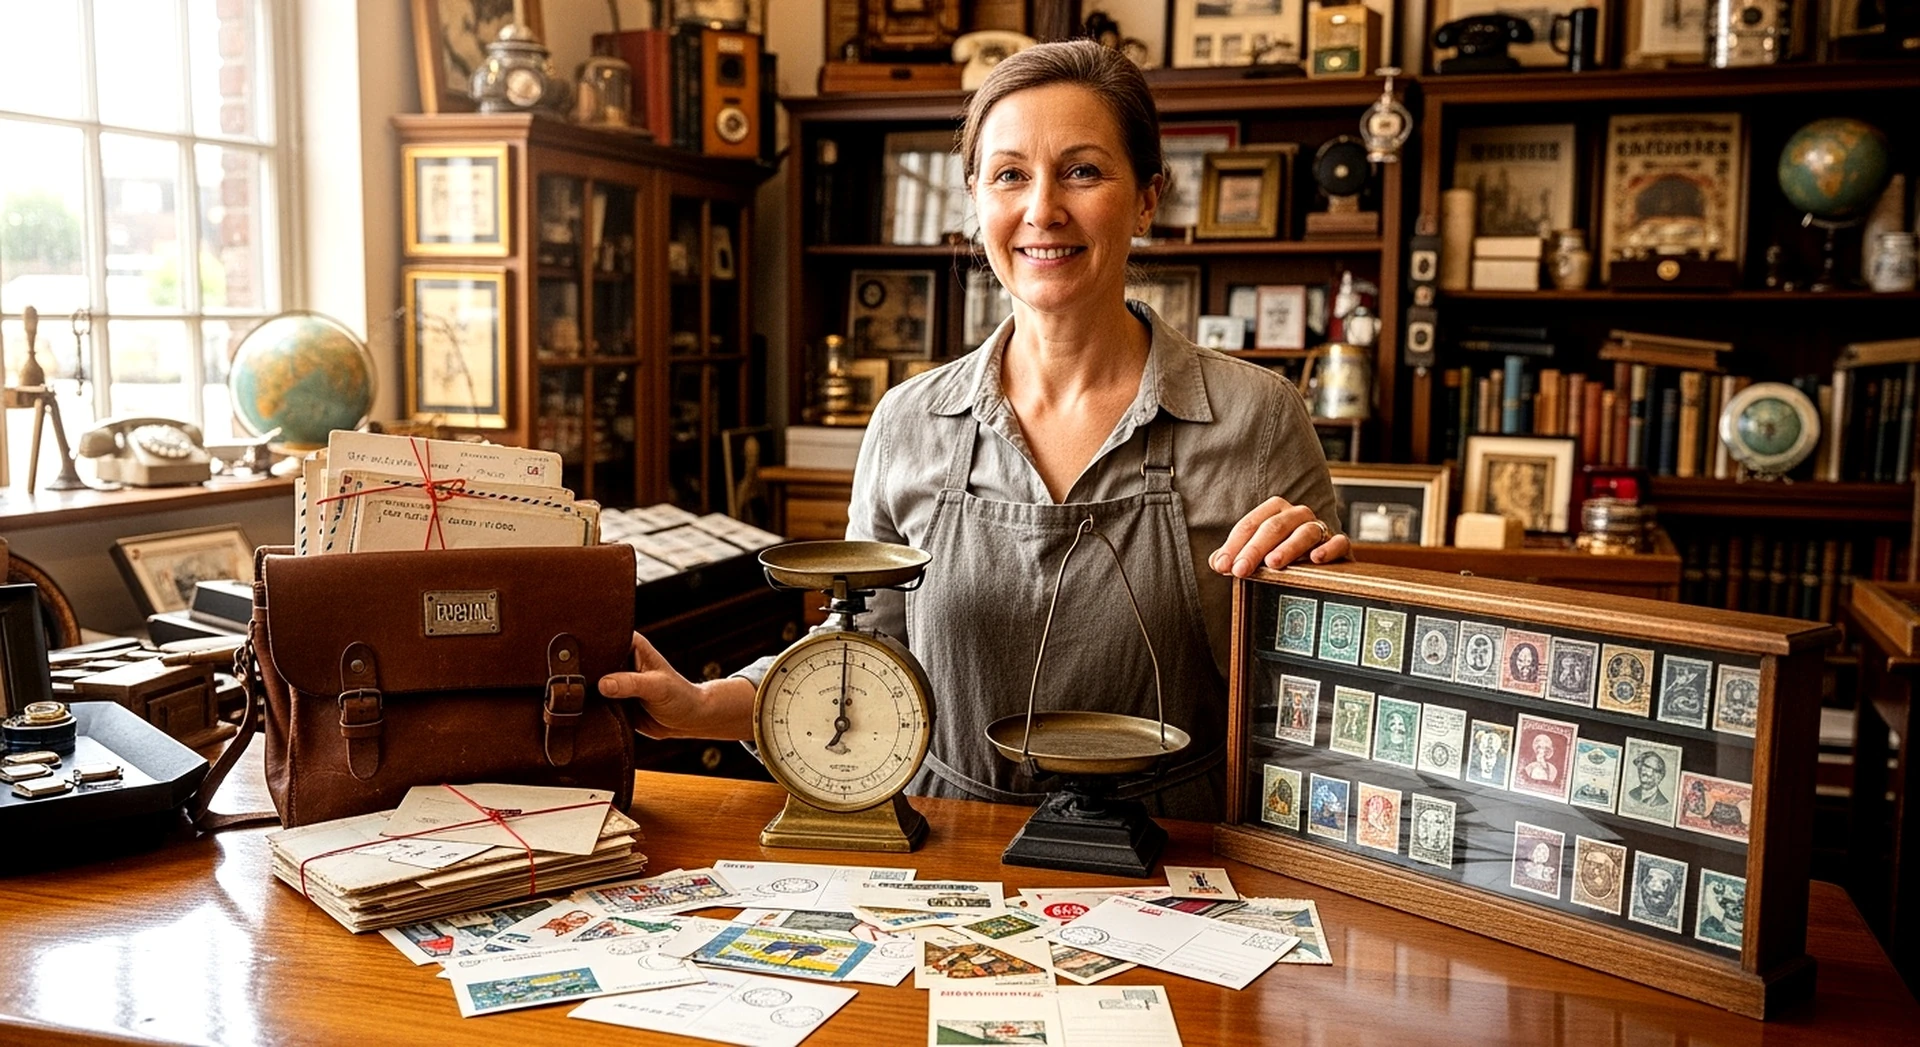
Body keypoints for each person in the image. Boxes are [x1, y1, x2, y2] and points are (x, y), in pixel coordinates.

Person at [599, 41, 1347, 822]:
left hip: (1176, 853)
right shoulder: (909, 420)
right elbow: (864, 652)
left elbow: (1311, 701)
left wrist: (1330, 602)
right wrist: (698, 704)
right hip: (951, 847)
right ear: (977, 199)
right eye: (1010, 174)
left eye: (1083, 171)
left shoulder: (1258, 417)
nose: (1043, 209)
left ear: (1148, 197)